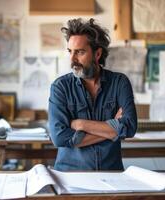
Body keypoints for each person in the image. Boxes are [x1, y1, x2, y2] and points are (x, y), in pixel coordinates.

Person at [48, 18, 137, 171]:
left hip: (111, 174)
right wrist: (113, 129)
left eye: (80, 52)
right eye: (70, 52)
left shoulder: (119, 83)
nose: (72, 60)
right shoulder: (60, 87)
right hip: (69, 175)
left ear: (97, 54)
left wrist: (80, 124)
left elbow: (129, 127)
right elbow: (59, 137)